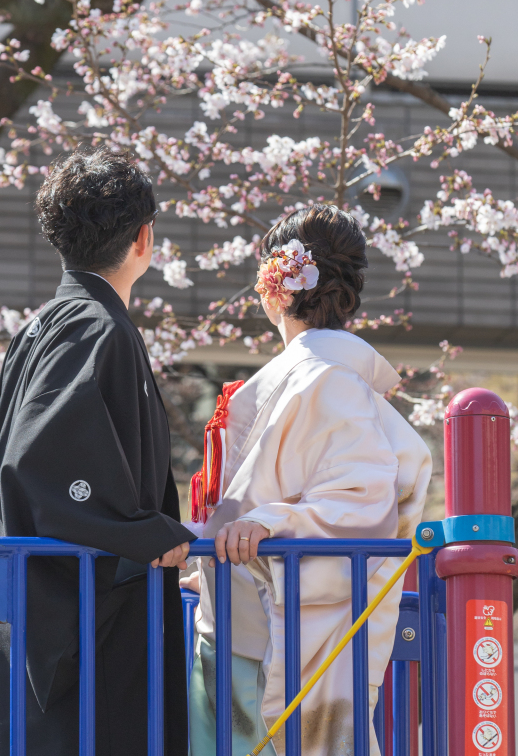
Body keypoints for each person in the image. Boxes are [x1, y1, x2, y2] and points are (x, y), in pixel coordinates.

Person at [0, 146, 194, 756]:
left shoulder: (51, 322)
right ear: (144, 238)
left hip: (40, 616)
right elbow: (38, 465)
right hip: (78, 640)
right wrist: (144, 533)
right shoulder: (95, 326)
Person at [183, 205, 432, 756]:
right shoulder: (322, 375)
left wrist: (264, 524)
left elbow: (361, 502)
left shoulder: (325, 378)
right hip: (245, 621)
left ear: (276, 287)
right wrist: (215, 560)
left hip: (263, 644)